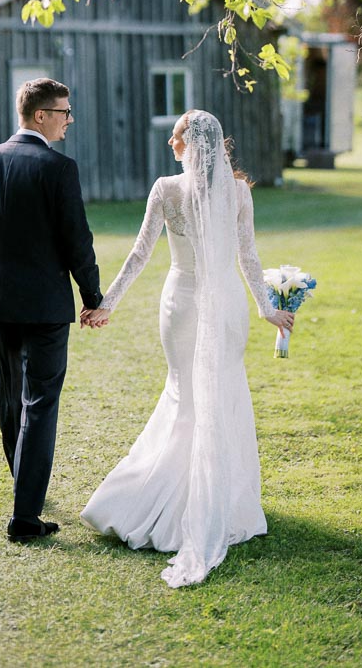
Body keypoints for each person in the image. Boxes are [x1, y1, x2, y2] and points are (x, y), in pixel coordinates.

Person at [80, 108, 294, 587]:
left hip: (182, 301)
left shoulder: (166, 189)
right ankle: (223, 502)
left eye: (175, 140)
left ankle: (167, 502)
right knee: (218, 396)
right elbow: (248, 254)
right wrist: (264, 308)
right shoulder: (237, 191)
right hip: (227, 305)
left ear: (187, 145)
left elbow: (140, 253)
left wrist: (106, 304)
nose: (171, 147)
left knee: (185, 396)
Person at [0, 77, 104, 543]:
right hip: (44, 306)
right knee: (39, 404)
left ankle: (24, 493)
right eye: (64, 112)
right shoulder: (59, 169)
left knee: (10, 399)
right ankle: (25, 516)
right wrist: (92, 296)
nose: (69, 120)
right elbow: (77, 241)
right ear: (40, 115)